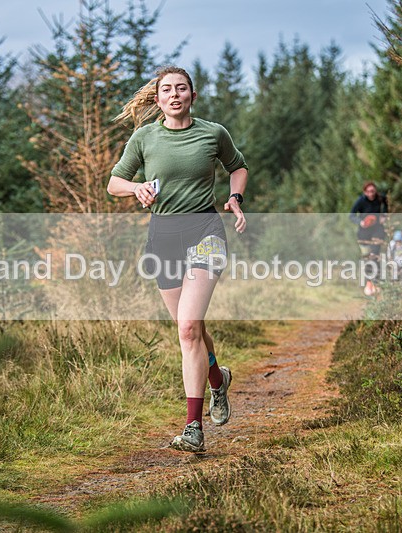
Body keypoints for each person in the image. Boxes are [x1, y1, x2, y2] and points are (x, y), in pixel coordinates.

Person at [108, 66, 248, 453]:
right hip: (163, 238)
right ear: (157, 99)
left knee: (188, 327)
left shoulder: (212, 133)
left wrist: (235, 198)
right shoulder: (144, 137)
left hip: (205, 232)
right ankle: (217, 379)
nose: (174, 95)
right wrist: (136, 187)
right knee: (192, 327)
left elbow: (238, 166)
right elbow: (113, 182)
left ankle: (193, 428)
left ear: (192, 95)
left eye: (181, 89)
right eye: (166, 90)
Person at [350, 182, 388, 295]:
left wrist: (384, 217)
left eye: (373, 191)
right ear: (365, 192)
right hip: (364, 232)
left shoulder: (381, 198)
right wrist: (360, 222)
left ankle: (376, 283)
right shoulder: (361, 201)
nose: (371, 194)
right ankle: (368, 282)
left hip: (377, 230)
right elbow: (351, 215)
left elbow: (386, 208)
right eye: (369, 192)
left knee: (374, 256)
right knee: (366, 258)